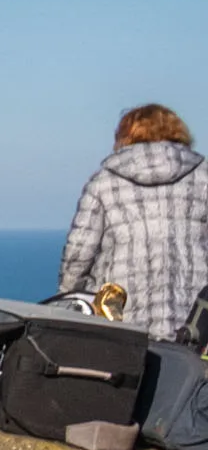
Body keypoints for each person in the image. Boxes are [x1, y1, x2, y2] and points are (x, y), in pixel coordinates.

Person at [54, 102, 206, 338]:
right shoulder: (203, 177)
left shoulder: (103, 183)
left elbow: (77, 257)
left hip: (119, 324)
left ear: (125, 136)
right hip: (193, 325)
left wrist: (69, 305)